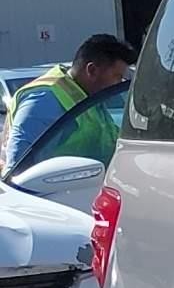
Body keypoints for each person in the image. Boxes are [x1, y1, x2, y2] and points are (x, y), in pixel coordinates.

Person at [3, 34, 136, 179]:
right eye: (117, 76)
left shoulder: (89, 97)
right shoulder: (45, 100)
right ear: (91, 70)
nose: (120, 83)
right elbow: (17, 170)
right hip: (57, 197)